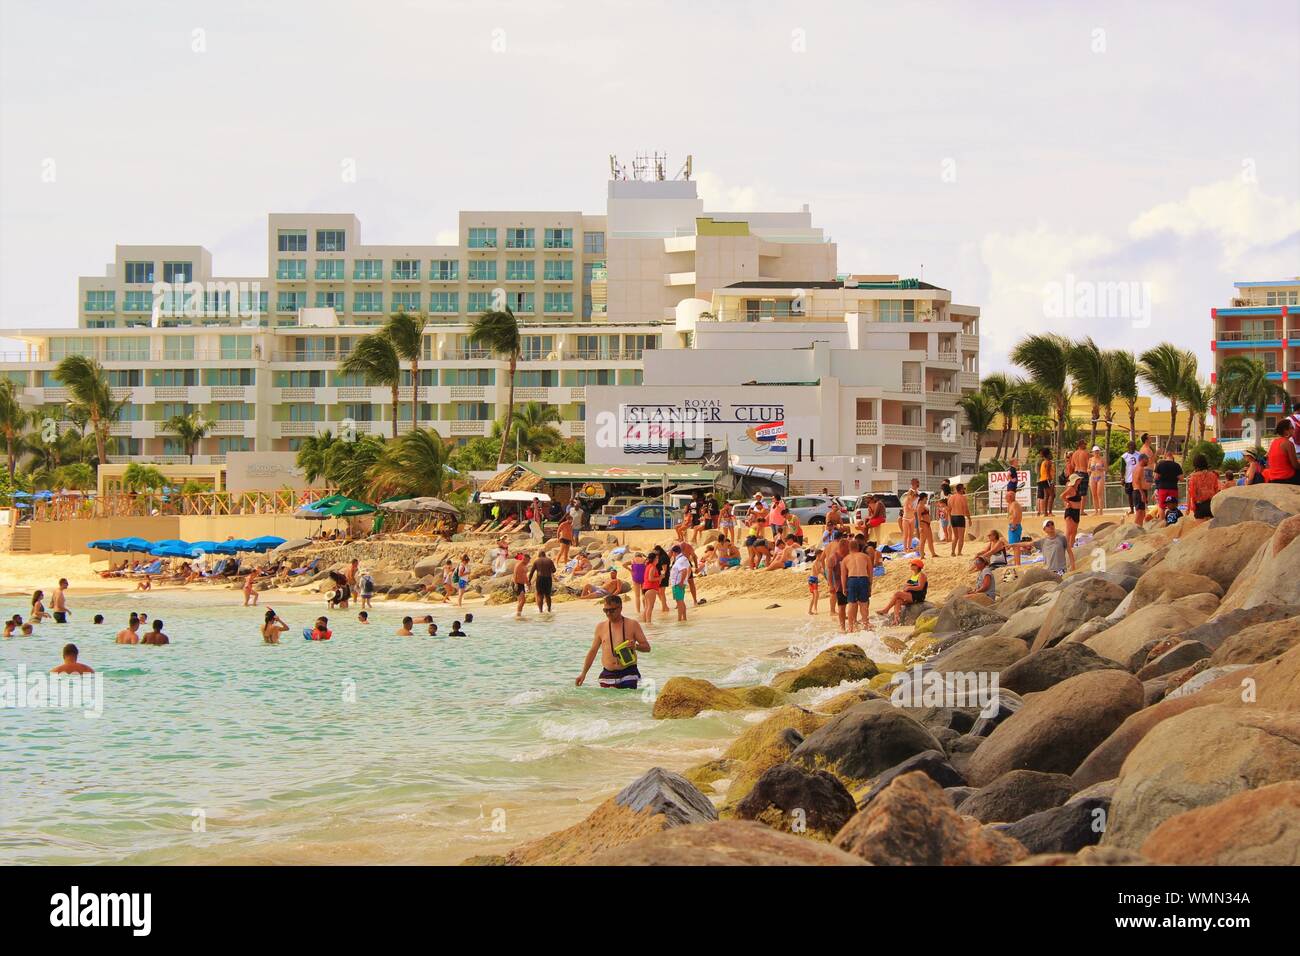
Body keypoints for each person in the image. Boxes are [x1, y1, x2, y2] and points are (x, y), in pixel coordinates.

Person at [575, 594, 651, 690]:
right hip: (607, 674)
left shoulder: (632, 624)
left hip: (628, 672)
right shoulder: (600, 627)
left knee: (627, 702)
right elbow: (593, 652)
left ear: (620, 608)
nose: (608, 613)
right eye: (605, 610)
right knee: (608, 703)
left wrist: (635, 646)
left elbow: (647, 648)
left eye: (612, 610)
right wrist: (583, 674)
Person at [880, 560, 929, 626]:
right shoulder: (914, 575)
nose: (911, 566)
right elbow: (911, 585)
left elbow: (920, 587)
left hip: (917, 596)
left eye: (913, 565)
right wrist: (907, 586)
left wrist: (909, 587)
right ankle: (896, 620)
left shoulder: (921, 575)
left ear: (917, 566)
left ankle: (886, 610)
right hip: (911, 595)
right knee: (898, 601)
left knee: (897, 593)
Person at [840, 540, 872, 632]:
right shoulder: (865, 557)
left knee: (851, 604)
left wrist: (843, 588)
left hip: (852, 580)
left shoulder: (845, 559)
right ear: (858, 547)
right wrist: (870, 585)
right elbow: (870, 573)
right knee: (864, 604)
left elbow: (843, 575)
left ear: (849, 548)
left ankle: (850, 627)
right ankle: (865, 625)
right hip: (863, 579)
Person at [1264, 420, 1300, 484]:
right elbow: (1296, 466)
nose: (1294, 429)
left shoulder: (1274, 442)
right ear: (1286, 431)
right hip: (1286, 477)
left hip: (1273, 478)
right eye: (1292, 427)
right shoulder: (1288, 443)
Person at [1062, 469, 1086, 549]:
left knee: (1074, 532)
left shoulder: (1076, 489)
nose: (1080, 481)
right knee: (1069, 531)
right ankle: (1065, 548)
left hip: (1076, 511)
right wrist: (1067, 503)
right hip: (1071, 511)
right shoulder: (1071, 488)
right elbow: (1062, 496)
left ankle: (1071, 547)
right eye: (1078, 480)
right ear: (1075, 481)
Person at [669, 544, 691, 622]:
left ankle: (679, 619)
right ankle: (684, 618)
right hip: (680, 582)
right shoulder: (684, 558)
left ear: (674, 553)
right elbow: (689, 569)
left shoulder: (679, 560)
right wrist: (686, 579)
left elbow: (684, 570)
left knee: (679, 602)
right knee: (681, 601)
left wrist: (681, 581)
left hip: (678, 583)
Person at [641, 551, 663, 624]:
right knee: (650, 607)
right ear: (654, 559)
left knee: (647, 607)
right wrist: (660, 577)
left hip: (646, 588)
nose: (658, 559)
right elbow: (650, 578)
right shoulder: (652, 567)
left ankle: (645, 623)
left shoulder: (648, 566)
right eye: (657, 558)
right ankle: (649, 623)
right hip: (650, 588)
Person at [948, 483, 969, 556]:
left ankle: (953, 552)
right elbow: (966, 509)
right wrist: (969, 518)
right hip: (960, 517)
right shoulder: (962, 498)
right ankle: (959, 552)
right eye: (963, 488)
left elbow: (949, 509)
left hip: (953, 517)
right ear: (961, 489)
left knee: (955, 536)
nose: (964, 490)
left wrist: (950, 519)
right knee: (961, 537)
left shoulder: (951, 497)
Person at [1132, 452, 1152, 527]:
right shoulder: (1139, 468)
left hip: (1140, 491)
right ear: (1143, 459)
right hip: (1138, 491)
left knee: (1143, 513)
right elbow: (1137, 481)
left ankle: (1140, 527)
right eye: (1147, 459)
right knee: (1139, 512)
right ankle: (1135, 528)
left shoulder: (1139, 468)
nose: (1148, 461)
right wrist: (1142, 493)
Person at [915, 493, 938, 558]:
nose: (927, 499)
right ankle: (922, 555)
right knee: (923, 540)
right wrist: (919, 527)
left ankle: (933, 553)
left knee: (930, 539)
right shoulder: (919, 506)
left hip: (927, 524)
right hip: (923, 524)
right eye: (926, 498)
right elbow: (918, 517)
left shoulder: (924, 505)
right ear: (923, 498)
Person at [1120, 440, 1139, 513]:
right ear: (1128, 447)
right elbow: (1122, 468)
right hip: (1128, 478)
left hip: (1137, 478)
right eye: (1130, 445)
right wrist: (1122, 478)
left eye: (1133, 445)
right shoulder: (1124, 456)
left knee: (1137, 494)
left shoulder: (1139, 455)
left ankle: (1137, 508)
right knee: (1130, 495)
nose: (1132, 447)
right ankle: (1131, 509)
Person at [1088, 445, 1107, 515]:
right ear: (1093, 452)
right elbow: (1087, 469)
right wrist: (1090, 469)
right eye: (1095, 452)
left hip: (1100, 476)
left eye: (1097, 451)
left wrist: (1100, 468)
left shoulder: (1102, 459)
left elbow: (1106, 468)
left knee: (1099, 494)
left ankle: (1101, 511)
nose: (1096, 453)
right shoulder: (1090, 460)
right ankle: (1096, 511)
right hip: (1093, 476)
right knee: (1094, 494)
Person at [1037, 447, 1055, 516]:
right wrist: (1051, 481)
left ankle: (1045, 512)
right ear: (1048, 455)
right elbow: (1047, 472)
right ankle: (1049, 512)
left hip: (1043, 480)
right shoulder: (1048, 462)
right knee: (1052, 495)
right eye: (1050, 453)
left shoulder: (1044, 461)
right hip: (1047, 479)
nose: (1051, 455)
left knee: (1047, 496)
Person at [512, 553, 530, 618]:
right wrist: (515, 584)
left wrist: (528, 583)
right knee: (523, 600)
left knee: (520, 600)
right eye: (528, 561)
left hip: (522, 584)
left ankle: (519, 614)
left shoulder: (524, 565)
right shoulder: (519, 565)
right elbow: (515, 574)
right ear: (524, 559)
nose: (528, 562)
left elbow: (524, 576)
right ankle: (518, 615)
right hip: (517, 584)